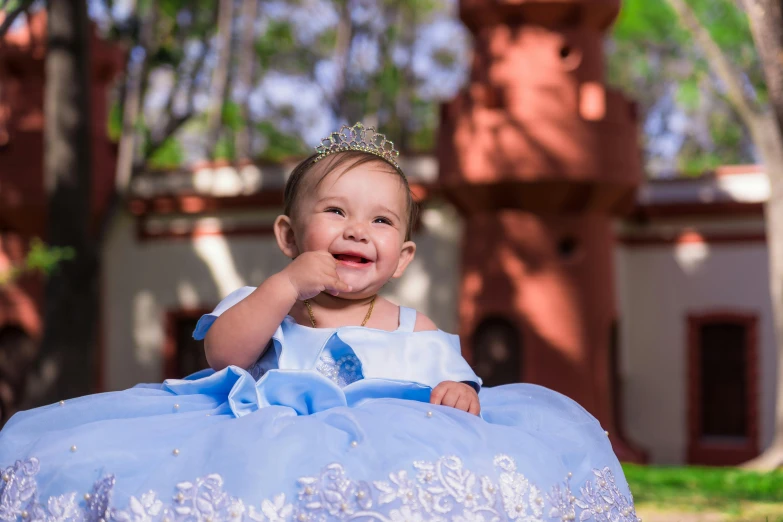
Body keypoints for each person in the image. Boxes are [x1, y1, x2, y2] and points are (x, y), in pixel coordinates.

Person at [0, 123, 638, 522]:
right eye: (335, 211)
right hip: (261, 446)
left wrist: (457, 393)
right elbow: (223, 355)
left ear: (402, 256)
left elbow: (461, 387)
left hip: (384, 458)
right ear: (289, 233)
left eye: (382, 222)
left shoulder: (413, 328)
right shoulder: (264, 303)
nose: (358, 229)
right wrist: (284, 288)